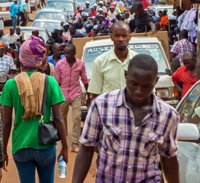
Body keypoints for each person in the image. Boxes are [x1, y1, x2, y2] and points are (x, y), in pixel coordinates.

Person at [72, 54, 180, 183]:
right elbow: (87, 148)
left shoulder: (168, 115)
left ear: (156, 81)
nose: (139, 91)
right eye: (133, 84)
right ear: (126, 75)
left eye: (146, 86)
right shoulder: (102, 105)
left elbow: (168, 157)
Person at [0, 36, 68, 183]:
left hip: (20, 146)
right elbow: (58, 118)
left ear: (21, 59)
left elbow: (6, 122)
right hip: (45, 146)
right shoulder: (50, 82)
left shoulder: (11, 85)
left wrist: (3, 150)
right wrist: (65, 147)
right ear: (39, 60)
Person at [88, 22, 137, 103]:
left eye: (124, 36)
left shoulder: (139, 61)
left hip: (133, 112)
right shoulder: (100, 62)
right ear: (111, 37)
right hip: (108, 113)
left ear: (130, 37)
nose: (121, 39)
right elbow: (95, 95)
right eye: (117, 36)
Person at [54, 44, 89, 153]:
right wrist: (55, 98)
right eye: (65, 53)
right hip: (63, 94)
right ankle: (63, 140)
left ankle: (75, 143)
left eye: (69, 53)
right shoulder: (59, 64)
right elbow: (57, 82)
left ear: (74, 53)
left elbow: (85, 80)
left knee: (77, 117)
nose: (66, 55)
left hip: (76, 94)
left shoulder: (80, 64)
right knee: (61, 118)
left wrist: (89, 94)